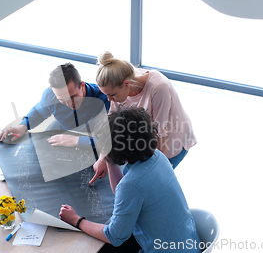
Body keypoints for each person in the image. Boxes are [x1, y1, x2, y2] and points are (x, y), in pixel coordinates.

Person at [59, 107, 200, 253]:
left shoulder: (132, 184)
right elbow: (122, 192)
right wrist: (109, 160)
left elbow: (114, 236)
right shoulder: (158, 157)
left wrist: (77, 220)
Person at [89, 51, 196, 184]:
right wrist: (102, 158)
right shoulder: (118, 86)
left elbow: (160, 134)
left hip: (171, 141)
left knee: (149, 183)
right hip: (148, 138)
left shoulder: (158, 87)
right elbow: (111, 127)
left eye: (112, 95)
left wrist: (155, 170)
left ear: (127, 84)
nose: (109, 99)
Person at [0, 63, 110, 150]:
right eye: (62, 100)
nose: (69, 103)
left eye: (73, 97)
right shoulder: (50, 95)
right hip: (61, 139)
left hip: (91, 146)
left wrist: (76, 140)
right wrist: (22, 126)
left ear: (82, 85)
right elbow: (38, 112)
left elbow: (110, 141)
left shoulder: (106, 100)